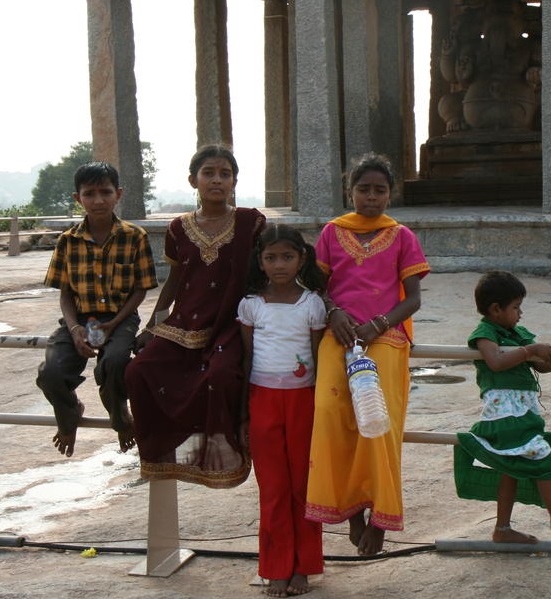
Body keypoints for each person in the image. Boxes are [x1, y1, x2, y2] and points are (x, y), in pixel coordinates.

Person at [304, 153, 430, 556]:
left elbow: (413, 300)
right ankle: (352, 512)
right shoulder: (331, 233)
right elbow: (317, 287)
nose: (371, 197)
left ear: (390, 194)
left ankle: (380, 517)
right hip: (339, 335)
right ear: (350, 192)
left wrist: (379, 324)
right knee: (331, 414)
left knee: (377, 420)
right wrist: (334, 312)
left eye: (379, 190)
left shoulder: (402, 236)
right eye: (363, 189)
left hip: (385, 337)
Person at [125, 144, 265, 487]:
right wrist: (153, 325)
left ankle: (222, 457)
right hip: (184, 323)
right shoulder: (178, 228)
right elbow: (175, 280)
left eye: (225, 174)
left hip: (231, 324)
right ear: (193, 180)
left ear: (234, 182)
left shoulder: (251, 223)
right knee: (138, 371)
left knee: (220, 375)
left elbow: (265, 272)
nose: (217, 180)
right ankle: (161, 456)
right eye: (209, 173)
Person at [454, 271, 551, 546]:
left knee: (512, 467)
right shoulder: (485, 333)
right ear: (496, 309)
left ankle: (502, 529)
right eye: (516, 307)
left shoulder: (517, 334)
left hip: (523, 412)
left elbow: (541, 365)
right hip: (505, 414)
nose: (521, 314)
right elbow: (495, 362)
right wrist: (530, 350)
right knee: (542, 454)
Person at [36, 161, 158, 458]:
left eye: (105, 192)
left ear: (118, 194)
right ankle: (69, 413)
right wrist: (75, 329)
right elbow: (65, 294)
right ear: (78, 198)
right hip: (79, 319)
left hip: (121, 318)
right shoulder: (68, 241)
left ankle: (120, 417)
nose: (98, 200)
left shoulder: (135, 237)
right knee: (51, 371)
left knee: (115, 364)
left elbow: (140, 289)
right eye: (89, 194)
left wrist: (115, 322)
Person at [238, 224, 328, 598]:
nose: (279, 265)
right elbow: (246, 359)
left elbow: (319, 360)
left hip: (304, 401)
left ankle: (304, 567)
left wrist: (323, 409)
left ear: (301, 259)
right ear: (259, 261)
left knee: (303, 487)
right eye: (271, 257)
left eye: (287, 257)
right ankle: (276, 568)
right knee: (273, 488)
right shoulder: (250, 305)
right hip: (262, 401)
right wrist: (243, 413)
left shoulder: (313, 305)